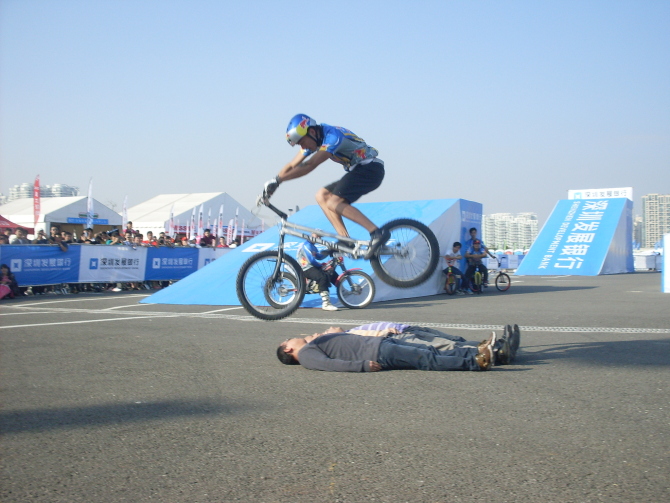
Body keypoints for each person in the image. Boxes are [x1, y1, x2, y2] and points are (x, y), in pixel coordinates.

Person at [263, 114, 389, 259]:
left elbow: (310, 165)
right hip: (358, 169)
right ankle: (345, 240)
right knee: (322, 195)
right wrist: (272, 184)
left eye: (302, 142)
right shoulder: (316, 138)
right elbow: (292, 165)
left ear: (311, 132)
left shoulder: (332, 136)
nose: (302, 147)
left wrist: (278, 180)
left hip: (370, 169)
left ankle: (377, 233)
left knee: (334, 202)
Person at [299, 322, 520, 366]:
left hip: (403, 331)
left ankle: (497, 348)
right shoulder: (338, 339)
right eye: (321, 333)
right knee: (441, 349)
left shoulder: (346, 335)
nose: (324, 330)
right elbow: (332, 364)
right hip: (393, 340)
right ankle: (494, 354)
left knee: (450, 343)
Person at [277, 330, 498, 372]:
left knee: (428, 351)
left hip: (380, 345)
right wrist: (362, 366)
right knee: (427, 358)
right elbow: (330, 364)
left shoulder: (311, 345)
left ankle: (477, 354)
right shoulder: (306, 355)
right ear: (288, 349)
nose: (293, 337)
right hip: (377, 354)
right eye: (289, 339)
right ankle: (476, 362)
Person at [296, 239, 339, 311]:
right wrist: (320, 265)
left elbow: (319, 256)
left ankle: (343, 291)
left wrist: (328, 251)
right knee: (322, 277)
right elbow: (311, 260)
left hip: (311, 266)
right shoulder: (306, 245)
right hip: (305, 268)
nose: (318, 239)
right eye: (317, 237)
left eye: (319, 237)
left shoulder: (312, 246)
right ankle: (326, 304)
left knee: (330, 271)